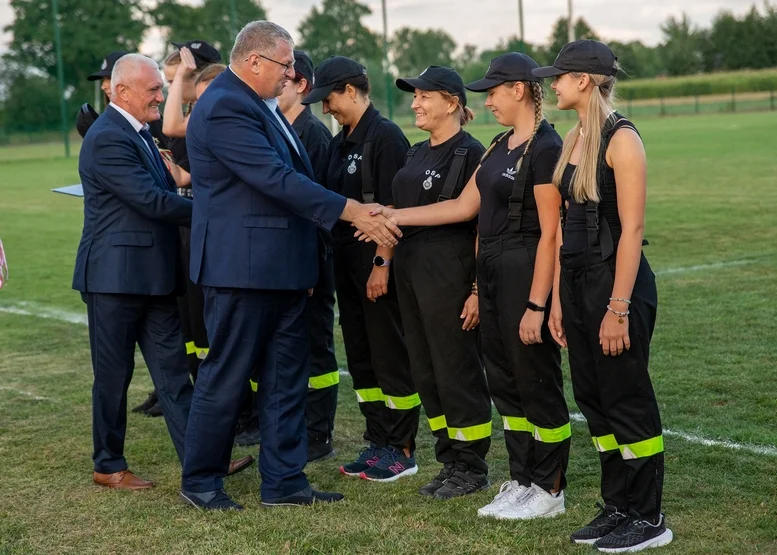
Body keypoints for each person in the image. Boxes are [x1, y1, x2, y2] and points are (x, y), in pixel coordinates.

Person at [181, 21, 400, 511]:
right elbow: (273, 178)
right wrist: (352, 209)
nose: (292, 74)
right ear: (255, 60)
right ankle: (201, 481)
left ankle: (283, 481)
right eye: (285, 64)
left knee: (285, 379)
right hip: (243, 269)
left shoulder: (258, 105)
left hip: (282, 268)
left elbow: (291, 176)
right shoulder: (225, 106)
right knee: (227, 376)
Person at [365, 53, 571, 518]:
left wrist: (539, 302)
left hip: (522, 268)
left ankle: (550, 485)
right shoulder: (499, 145)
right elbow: (461, 207)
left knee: (534, 379)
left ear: (518, 89)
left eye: (493, 92)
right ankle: (522, 479)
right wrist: (392, 215)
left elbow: (551, 231)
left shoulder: (544, 147)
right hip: (493, 267)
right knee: (505, 382)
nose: (490, 102)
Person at [534, 40, 672, 552]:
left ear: (585, 81)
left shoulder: (623, 139)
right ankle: (618, 505)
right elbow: (568, 223)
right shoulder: (575, 137)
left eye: (560, 76)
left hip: (619, 285)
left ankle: (650, 516)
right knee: (594, 400)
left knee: (626, 398)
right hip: (578, 283)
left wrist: (619, 308)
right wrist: (560, 302)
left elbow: (633, 230)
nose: (553, 84)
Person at [73, 53, 196, 490]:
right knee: (113, 377)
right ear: (120, 92)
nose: (160, 96)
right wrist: (213, 213)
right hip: (114, 280)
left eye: (160, 89)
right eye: (153, 90)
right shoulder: (108, 137)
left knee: (173, 375)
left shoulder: (139, 133)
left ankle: (199, 462)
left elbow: (162, 191)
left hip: (153, 277)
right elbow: (151, 201)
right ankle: (108, 465)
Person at [303, 56, 421, 483]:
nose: (326, 107)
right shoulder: (341, 139)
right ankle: (378, 441)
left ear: (351, 90)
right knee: (362, 357)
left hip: (376, 266)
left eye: (330, 98)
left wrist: (380, 265)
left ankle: (402, 448)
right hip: (344, 268)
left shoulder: (384, 137)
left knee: (390, 356)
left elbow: (395, 212)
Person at [389, 66, 492, 499]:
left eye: (424, 96)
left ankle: (471, 466)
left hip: (450, 272)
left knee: (456, 369)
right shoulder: (414, 153)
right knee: (425, 370)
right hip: (410, 270)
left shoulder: (472, 154)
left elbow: (475, 220)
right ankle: (450, 459)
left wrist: (475, 290)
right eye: (414, 96)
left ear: (452, 103)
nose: (415, 103)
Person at [278, 50, 339, 462]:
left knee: (317, 347)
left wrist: (313, 264)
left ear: (301, 85)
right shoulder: (282, 127)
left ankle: (319, 433)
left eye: (284, 79)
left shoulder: (312, 134)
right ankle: (299, 425)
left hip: (313, 260)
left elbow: (317, 207)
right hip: (292, 260)